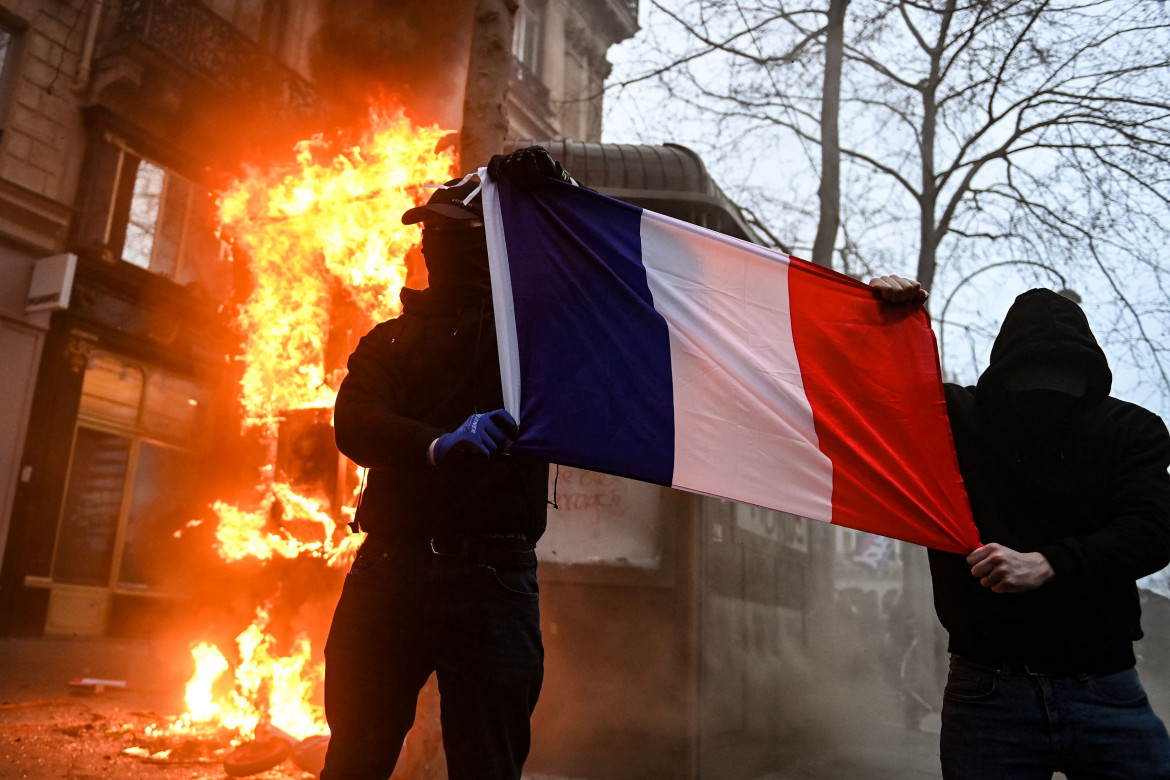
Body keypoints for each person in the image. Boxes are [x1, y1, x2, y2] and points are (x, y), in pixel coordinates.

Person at [320, 147, 576, 780]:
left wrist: (554, 198)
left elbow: (592, 286)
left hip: (493, 580)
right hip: (391, 571)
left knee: (487, 766)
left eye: (450, 235)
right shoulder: (389, 340)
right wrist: (439, 443)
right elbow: (356, 423)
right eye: (430, 234)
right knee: (354, 759)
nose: (432, 247)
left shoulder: (532, 345)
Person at [871, 275, 1170, 779]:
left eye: (1062, 377)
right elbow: (859, 403)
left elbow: (1155, 528)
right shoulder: (948, 420)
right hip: (988, 691)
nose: (1047, 393)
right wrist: (883, 321)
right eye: (1033, 376)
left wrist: (1049, 563)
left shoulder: (1130, 432)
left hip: (1104, 684)